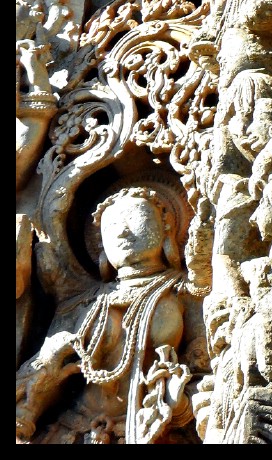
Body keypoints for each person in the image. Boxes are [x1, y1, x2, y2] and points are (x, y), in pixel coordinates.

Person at [16, 186, 193, 444]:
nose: (121, 231)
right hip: (72, 430)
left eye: (135, 218)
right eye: (111, 227)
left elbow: (210, 369)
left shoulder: (187, 293)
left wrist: (180, 404)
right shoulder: (84, 303)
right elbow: (42, 374)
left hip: (152, 427)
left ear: (166, 226)